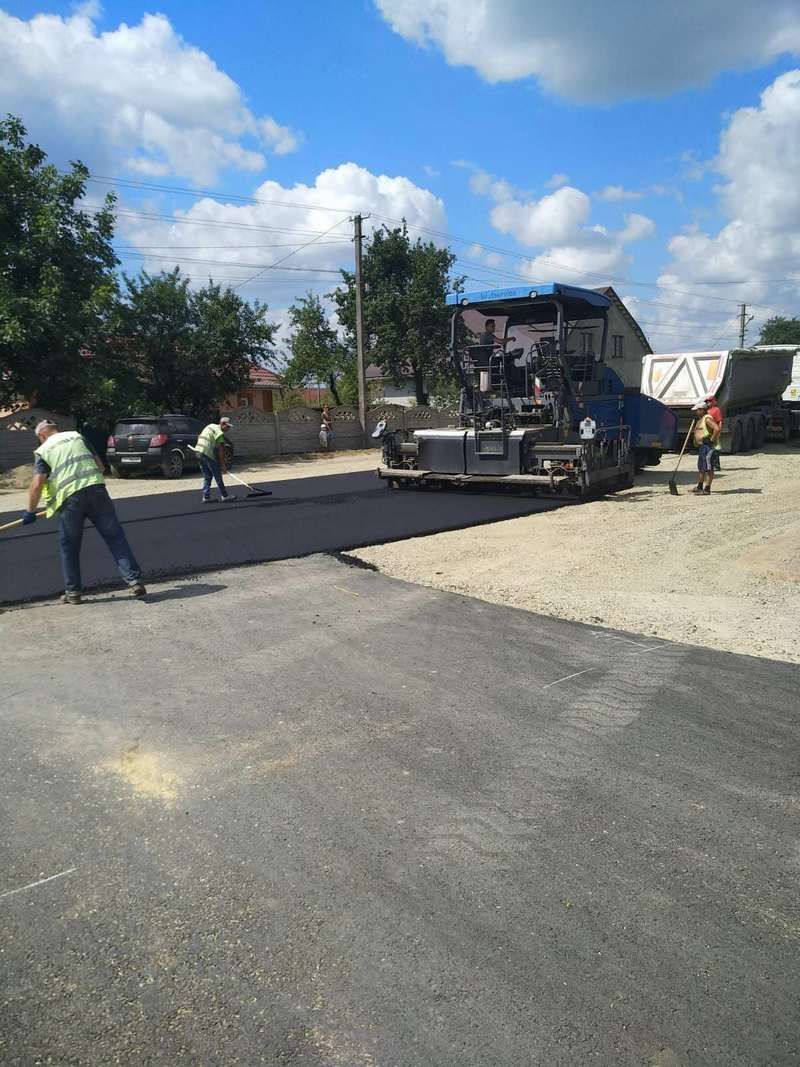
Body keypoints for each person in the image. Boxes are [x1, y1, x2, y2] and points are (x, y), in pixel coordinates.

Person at [21, 420, 146, 604]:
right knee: (115, 537)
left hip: (71, 500)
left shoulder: (44, 449)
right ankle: (134, 580)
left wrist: (30, 511)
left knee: (69, 546)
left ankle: (73, 592)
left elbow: (37, 483)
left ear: (41, 436)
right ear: (56, 429)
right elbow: (100, 467)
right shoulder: (77, 436)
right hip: (97, 490)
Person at [192, 416, 236, 503]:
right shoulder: (219, 433)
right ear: (222, 424)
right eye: (227, 426)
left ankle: (206, 497)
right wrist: (223, 465)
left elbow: (200, 436)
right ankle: (225, 496)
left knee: (207, 475)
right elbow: (221, 450)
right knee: (217, 474)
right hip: (206, 453)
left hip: (198, 452)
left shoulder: (210, 426)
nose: (228, 429)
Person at [692, 401, 720, 495]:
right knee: (701, 467)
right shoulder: (700, 419)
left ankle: (707, 489)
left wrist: (711, 440)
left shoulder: (707, 419)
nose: (696, 412)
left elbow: (717, 428)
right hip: (702, 447)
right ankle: (699, 486)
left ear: (702, 410)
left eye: (697, 410)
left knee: (708, 467)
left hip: (708, 447)